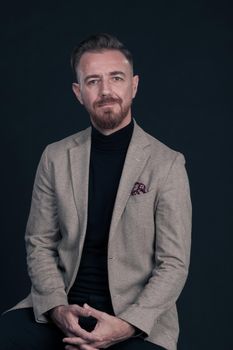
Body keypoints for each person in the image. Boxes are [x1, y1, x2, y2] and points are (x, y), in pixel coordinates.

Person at [0, 33, 192, 350]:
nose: (106, 91)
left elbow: (173, 264)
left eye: (116, 78)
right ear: (78, 93)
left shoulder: (167, 164)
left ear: (134, 85)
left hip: (136, 320)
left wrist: (127, 325)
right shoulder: (55, 156)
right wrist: (57, 309)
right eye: (92, 81)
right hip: (61, 309)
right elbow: (39, 242)